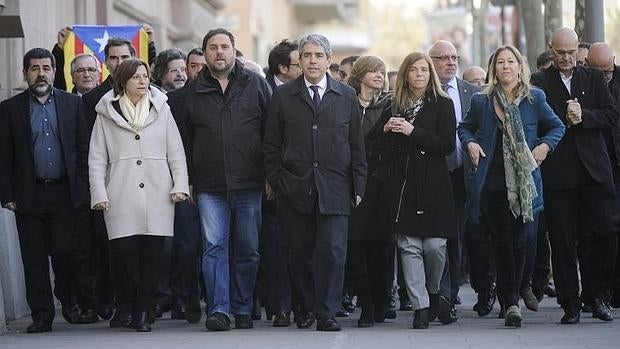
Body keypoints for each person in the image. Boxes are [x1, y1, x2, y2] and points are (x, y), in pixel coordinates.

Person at [263, 33, 367, 331]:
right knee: (299, 252)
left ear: (328, 60)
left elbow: (356, 144)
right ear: (300, 60)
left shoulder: (345, 95)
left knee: (333, 252)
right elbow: (271, 144)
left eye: (318, 55)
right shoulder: (284, 96)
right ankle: (304, 307)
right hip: (295, 187)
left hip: (335, 187)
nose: (311, 61)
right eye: (306, 55)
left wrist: (359, 185)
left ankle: (327, 312)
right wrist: (277, 179)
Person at [459, 45, 565, 327]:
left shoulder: (535, 98)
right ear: (493, 68)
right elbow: (465, 127)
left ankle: (518, 289)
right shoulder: (482, 101)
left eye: (511, 62)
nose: (506, 67)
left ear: (520, 66)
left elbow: (557, 127)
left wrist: (543, 147)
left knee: (522, 240)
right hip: (492, 181)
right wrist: (470, 143)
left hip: (525, 181)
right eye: (500, 62)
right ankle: (510, 303)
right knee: (503, 240)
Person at [175, 28, 271, 332]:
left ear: (233, 50)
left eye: (225, 47)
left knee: (248, 249)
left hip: (250, 182)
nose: (219, 52)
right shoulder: (193, 91)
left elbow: (272, 133)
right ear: (205, 53)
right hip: (209, 185)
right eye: (213, 48)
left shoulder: (255, 83)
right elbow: (183, 140)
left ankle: (242, 308)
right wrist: (187, 179)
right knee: (213, 248)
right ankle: (219, 310)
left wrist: (270, 174)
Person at [88, 59, 189, 332]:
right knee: (123, 254)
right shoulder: (106, 112)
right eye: (136, 77)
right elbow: (97, 157)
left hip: (158, 192)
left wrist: (180, 185)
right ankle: (128, 304)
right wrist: (98, 192)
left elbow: (176, 151)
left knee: (153, 256)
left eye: (145, 76)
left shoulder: (162, 108)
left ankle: (143, 311)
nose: (143, 81)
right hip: (119, 192)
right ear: (123, 82)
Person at [0, 48, 96, 333]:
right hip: (28, 195)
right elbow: (4, 155)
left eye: (45, 67)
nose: (40, 73)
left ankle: (68, 301)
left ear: (55, 71)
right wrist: (7, 195)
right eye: (34, 68)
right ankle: (42, 315)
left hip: (65, 193)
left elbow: (83, 148)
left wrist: (84, 187)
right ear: (25, 73)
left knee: (66, 252)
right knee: (34, 258)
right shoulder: (10, 109)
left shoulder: (72, 105)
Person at [531, 27, 618, 324]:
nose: (567, 58)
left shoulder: (592, 77)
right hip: (560, 172)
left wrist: (585, 117)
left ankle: (598, 295)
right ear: (551, 50)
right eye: (561, 52)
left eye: (571, 52)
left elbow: (610, 115)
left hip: (594, 169)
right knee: (563, 239)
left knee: (605, 231)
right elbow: (539, 122)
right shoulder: (539, 82)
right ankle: (570, 302)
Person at [371, 52, 456, 329]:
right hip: (403, 185)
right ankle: (420, 307)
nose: (420, 74)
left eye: (424, 70)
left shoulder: (442, 104)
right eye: (414, 70)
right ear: (405, 74)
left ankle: (433, 292)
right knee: (408, 247)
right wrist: (385, 130)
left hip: (434, 184)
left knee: (434, 247)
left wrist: (412, 131)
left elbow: (446, 146)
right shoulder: (393, 104)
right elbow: (378, 151)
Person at [429, 40, 481, 322]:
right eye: (443, 58)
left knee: (457, 235)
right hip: (433, 176)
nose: (450, 62)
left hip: (464, 174)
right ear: (431, 61)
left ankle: (451, 290)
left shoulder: (471, 93)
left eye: (454, 57)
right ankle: (442, 294)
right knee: (438, 238)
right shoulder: (424, 92)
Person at [345, 55, 393, 327]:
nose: (378, 75)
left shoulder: (389, 106)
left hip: (380, 186)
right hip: (351, 185)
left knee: (382, 247)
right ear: (360, 73)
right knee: (356, 246)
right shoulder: (345, 103)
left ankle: (381, 301)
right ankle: (365, 303)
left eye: (382, 71)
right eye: (373, 70)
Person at [259, 38, 303, 327]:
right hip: (270, 184)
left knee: (296, 247)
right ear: (283, 67)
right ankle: (279, 306)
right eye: (301, 62)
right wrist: (270, 177)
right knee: (273, 248)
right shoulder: (261, 90)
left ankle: (296, 304)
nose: (308, 66)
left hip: (298, 182)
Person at [586, 42, 620, 308]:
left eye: (607, 71)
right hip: (596, 167)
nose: (603, 76)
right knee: (603, 230)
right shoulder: (584, 83)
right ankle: (601, 289)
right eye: (598, 70)